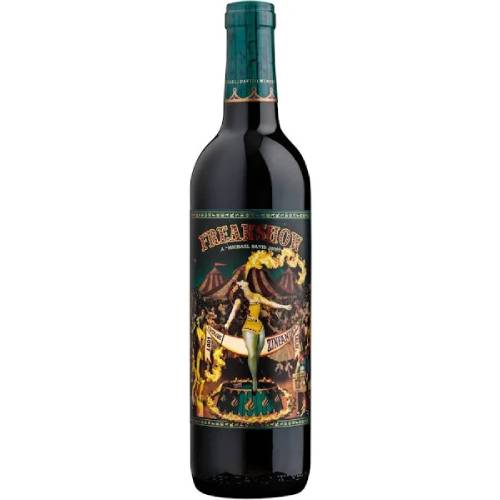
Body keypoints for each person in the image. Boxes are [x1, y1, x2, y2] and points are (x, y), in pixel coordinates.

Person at [224, 280, 291, 392]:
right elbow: (233, 312)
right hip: (248, 327)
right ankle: (254, 379)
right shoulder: (239, 299)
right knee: (252, 353)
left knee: (258, 352)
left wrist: (283, 306)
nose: (242, 280)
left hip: (259, 327)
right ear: (241, 286)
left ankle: (255, 371)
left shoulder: (257, 296)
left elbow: (270, 303)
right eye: (240, 282)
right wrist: (227, 323)